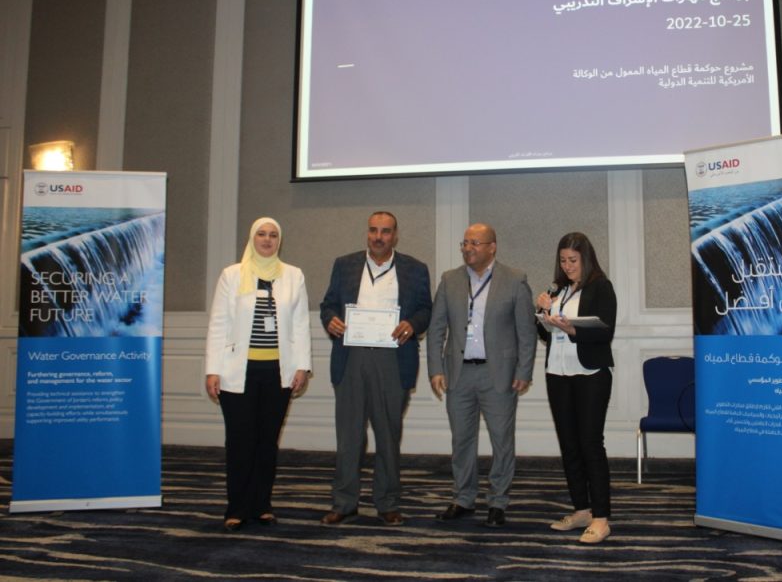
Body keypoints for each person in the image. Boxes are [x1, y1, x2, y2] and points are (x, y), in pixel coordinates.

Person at [319, 211, 432, 527]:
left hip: (393, 360)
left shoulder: (415, 269)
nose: (378, 237)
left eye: (385, 231)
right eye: (373, 230)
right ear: (367, 233)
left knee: (387, 435)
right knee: (349, 436)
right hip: (351, 357)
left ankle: (387, 502)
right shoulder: (344, 265)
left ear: (395, 235)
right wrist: (330, 320)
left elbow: (426, 309)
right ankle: (344, 502)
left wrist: (413, 323)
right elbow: (328, 305)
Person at [205, 217, 312, 532]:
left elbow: (301, 324)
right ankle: (237, 508)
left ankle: (261, 505)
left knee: (267, 441)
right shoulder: (232, 275)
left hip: (278, 371)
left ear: (280, 240)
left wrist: (302, 366)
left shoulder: (293, 275)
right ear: (252, 238)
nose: (267, 240)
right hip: (237, 372)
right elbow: (219, 323)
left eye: (273, 235)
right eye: (262, 234)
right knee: (240, 441)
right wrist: (212, 369)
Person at [427, 222, 537, 527]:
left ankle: (498, 502)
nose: (468, 248)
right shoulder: (449, 280)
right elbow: (437, 329)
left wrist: (524, 370)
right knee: (462, 440)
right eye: (465, 243)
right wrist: (435, 369)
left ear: (492, 247)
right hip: (458, 374)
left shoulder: (515, 280)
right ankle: (463, 498)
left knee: (502, 440)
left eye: (475, 243)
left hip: (498, 374)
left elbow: (526, 332)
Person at [535, 232, 616, 545]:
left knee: (590, 443)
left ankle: (601, 518)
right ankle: (582, 510)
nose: (567, 266)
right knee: (569, 444)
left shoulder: (601, 287)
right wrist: (542, 314)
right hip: (557, 372)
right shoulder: (557, 290)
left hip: (590, 372)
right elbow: (545, 335)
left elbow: (605, 332)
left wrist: (571, 329)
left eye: (573, 260)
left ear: (586, 259)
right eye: (563, 260)